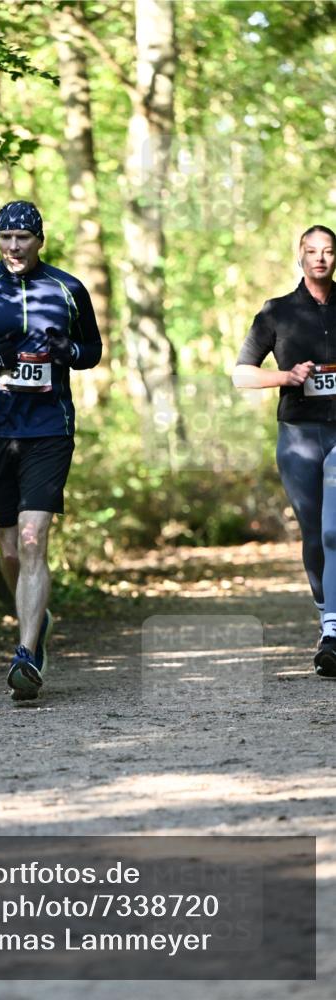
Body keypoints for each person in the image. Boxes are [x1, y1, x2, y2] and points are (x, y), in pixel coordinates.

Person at [0, 200, 102, 699]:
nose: (13, 246)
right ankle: (37, 616)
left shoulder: (68, 290)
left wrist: (66, 353)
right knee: (9, 550)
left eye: (23, 238)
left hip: (49, 429)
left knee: (33, 541)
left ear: (39, 241)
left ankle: (27, 654)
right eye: (6, 237)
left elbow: (91, 350)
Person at [232, 224, 336, 677]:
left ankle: (333, 631)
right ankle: (327, 617)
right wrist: (286, 377)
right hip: (298, 435)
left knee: (335, 530)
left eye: (328, 251)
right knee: (314, 533)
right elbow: (241, 374)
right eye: (312, 251)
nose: (320, 259)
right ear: (300, 257)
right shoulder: (277, 312)